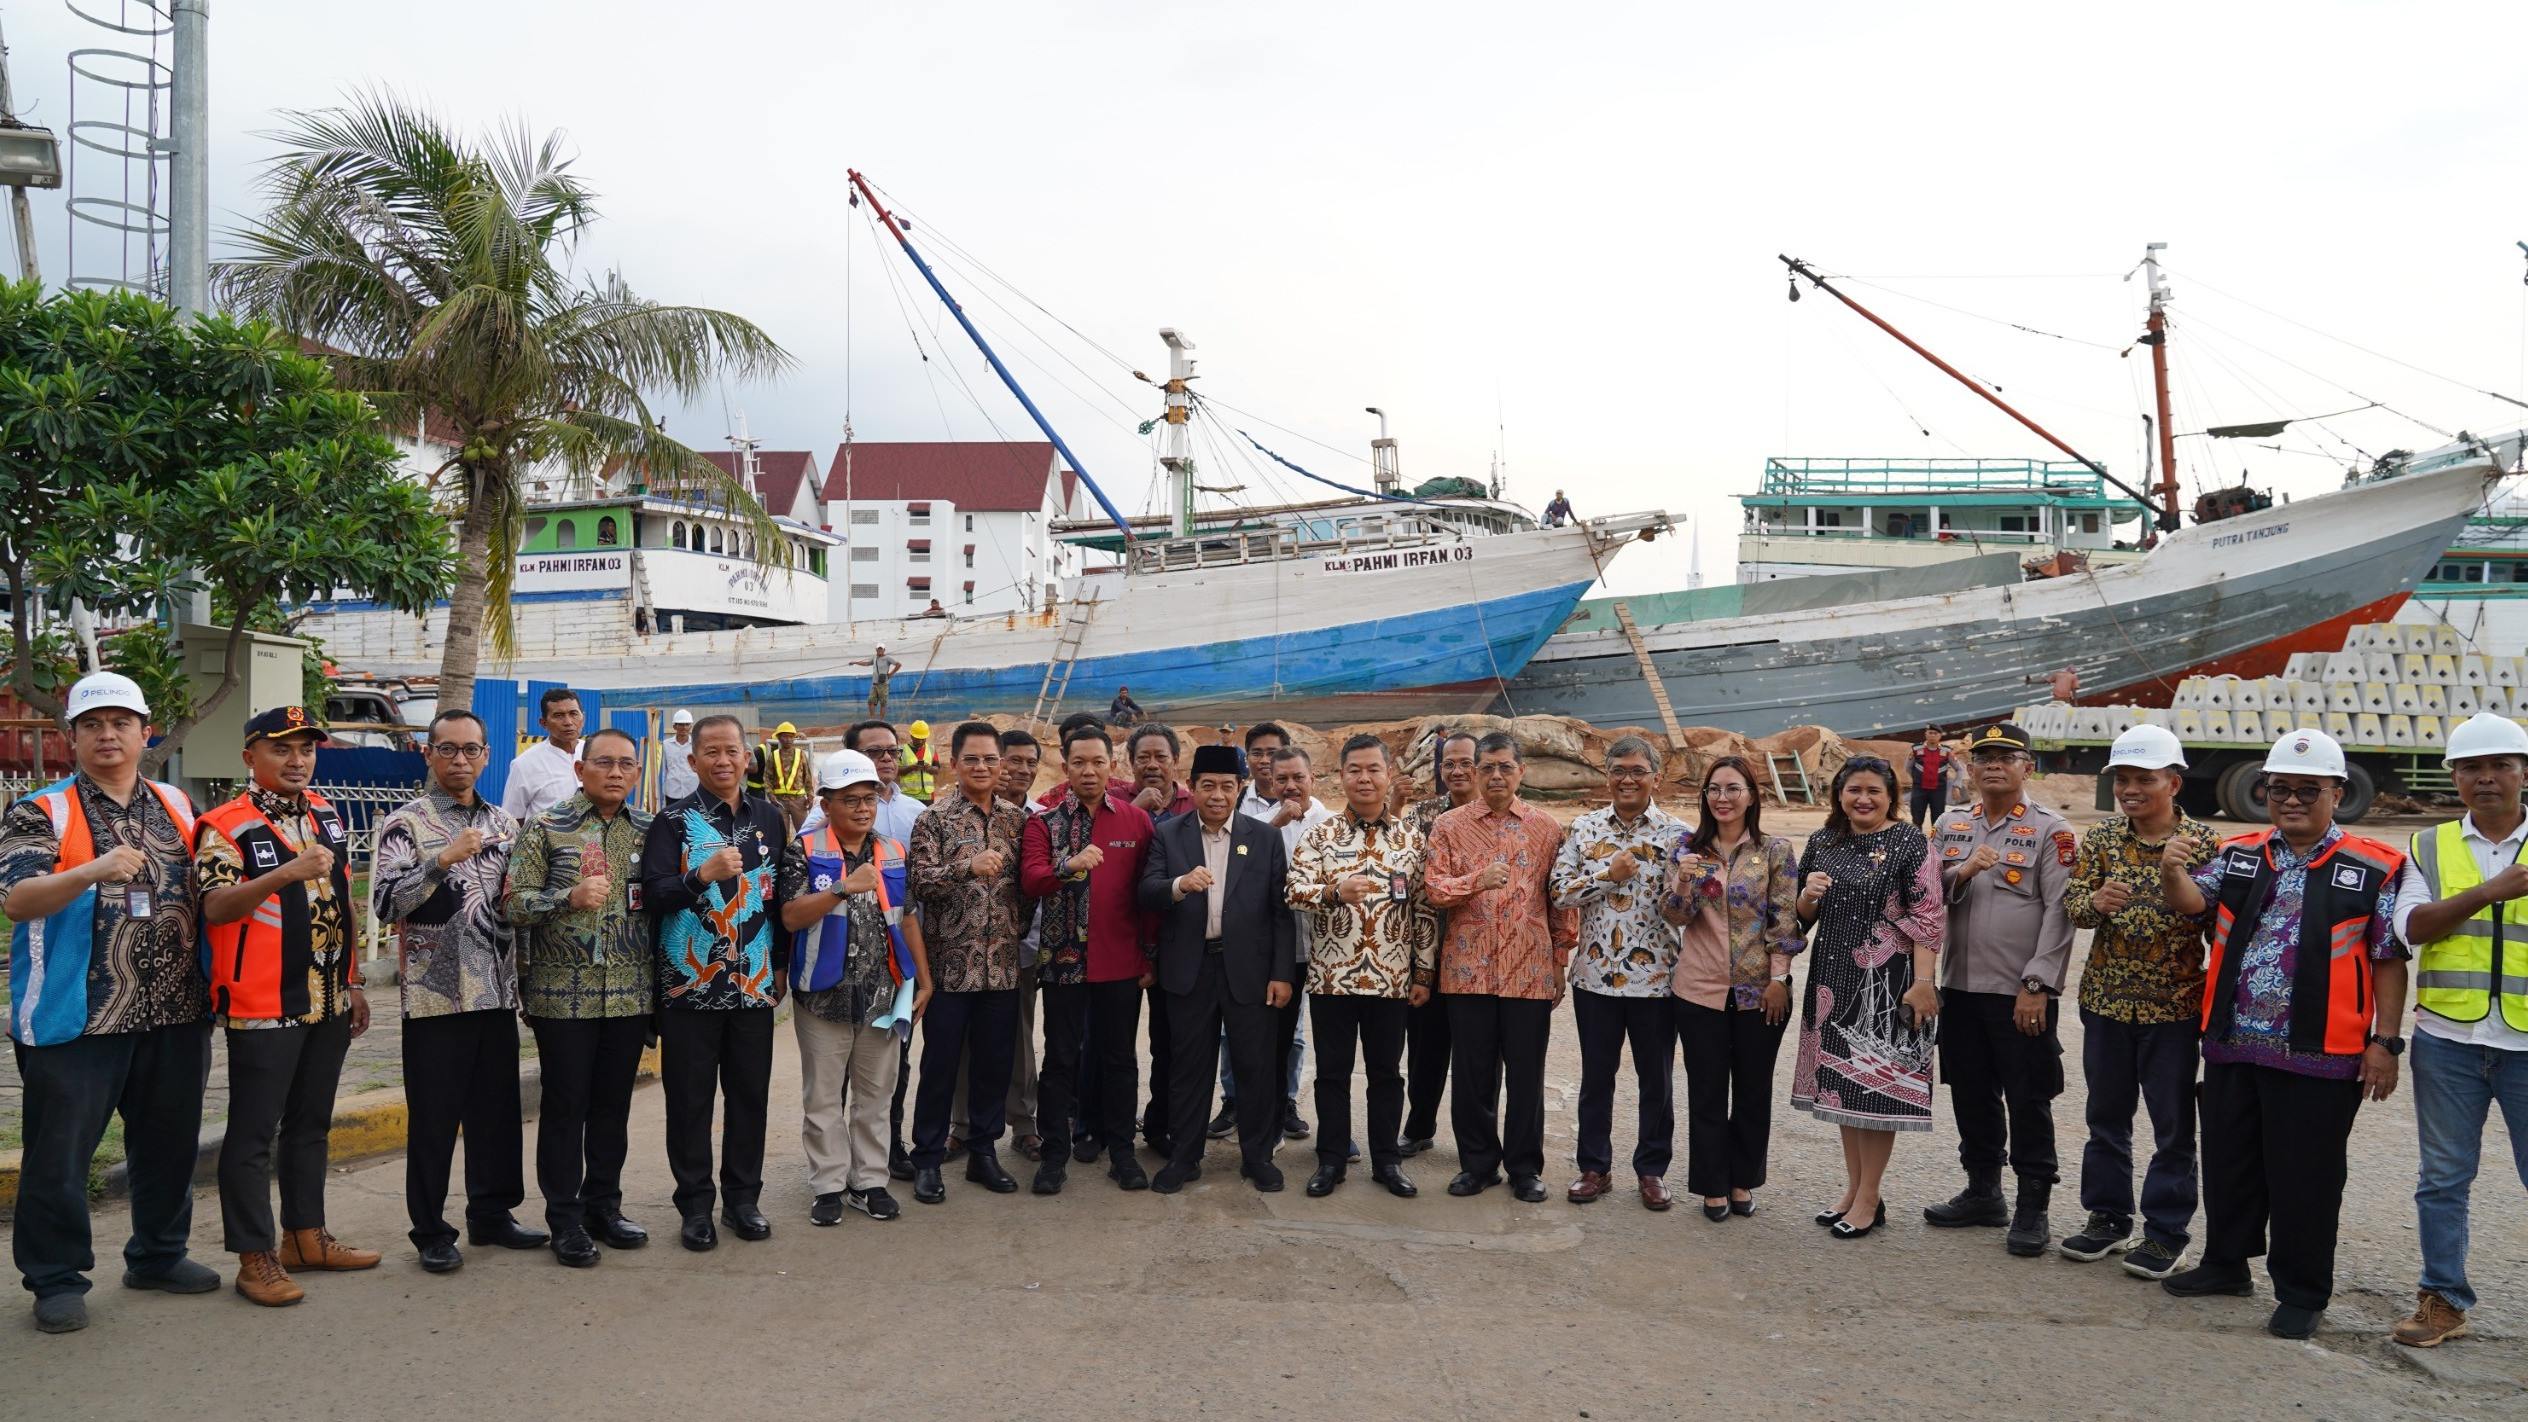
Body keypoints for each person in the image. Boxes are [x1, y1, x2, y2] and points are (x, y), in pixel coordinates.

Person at [2159, 728, 2410, 1340]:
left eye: (2307, 790)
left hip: (2323, 1051)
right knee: (2230, 1161)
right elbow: (2193, 904)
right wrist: (2171, 872)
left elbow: (2388, 959)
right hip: (2231, 1040)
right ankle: (2225, 1264)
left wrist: (2386, 1041)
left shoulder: (2376, 865)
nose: (2291, 801)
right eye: (2278, 789)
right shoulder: (2243, 852)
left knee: (2308, 1173)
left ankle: (2302, 1290)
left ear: (2337, 792)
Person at [3, 672, 213, 1334]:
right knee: (60, 1156)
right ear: (71, 738)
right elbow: (17, 899)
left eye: (121, 722)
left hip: (175, 1012)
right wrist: (92, 869)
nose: (107, 735)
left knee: (168, 1147)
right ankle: (56, 1278)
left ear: (145, 732)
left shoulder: (179, 805)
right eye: (92, 724)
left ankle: (157, 1254)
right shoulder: (41, 811)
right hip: (78, 1018)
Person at [196, 706, 379, 1306]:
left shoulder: (328, 815)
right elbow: (217, 908)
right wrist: (286, 874)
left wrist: (352, 982)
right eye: (282, 749)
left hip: (325, 1000)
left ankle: (305, 1236)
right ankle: (255, 1259)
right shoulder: (225, 825)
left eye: (306, 749)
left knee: (311, 1126)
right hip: (262, 1004)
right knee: (252, 1136)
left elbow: (346, 903)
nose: (297, 760)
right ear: (250, 757)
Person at [371, 709, 542, 1274]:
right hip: (434, 997)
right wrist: (441, 861)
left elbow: (516, 906)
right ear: (429, 753)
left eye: (471, 750)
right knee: (435, 1119)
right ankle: (431, 1230)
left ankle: (492, 1215)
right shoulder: (404, 824)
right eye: (448, 749)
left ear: (487, 756)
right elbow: (385, 905)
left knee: (496, 1113)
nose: (460, 760)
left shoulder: (506, 826)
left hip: (494, 993)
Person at [2387, 711, 2528, 1348]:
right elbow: (2409, 929)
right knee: (2442, 1178)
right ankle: (2442, 1300)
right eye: (2472, 767)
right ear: (2454, 776)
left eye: (2501, 765)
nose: (2487, 778)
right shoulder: (2427, 846)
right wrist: (2489, 891)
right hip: (2449, 1041)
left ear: (2524, 771)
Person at [2061, 724, 2215, 1280]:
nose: (2130, 789)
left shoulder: (2202, 843)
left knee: (2173, 1124)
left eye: (2143, 779)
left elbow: (2218, 922)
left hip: (2172, 1008)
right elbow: (2072, 906)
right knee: (2106, 1116)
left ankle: (2165, 1231)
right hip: (2105, 1002)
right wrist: (2096, 901)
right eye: (2122, 779)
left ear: (2173, 782)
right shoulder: (2102, 840)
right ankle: (2106, 1218)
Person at [506, 724, 658, 1265]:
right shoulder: (548, 827)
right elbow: (515, 904)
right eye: (604, 763)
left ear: (638, 773)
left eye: (626, 764)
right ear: (579, 769)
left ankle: (605, 1206)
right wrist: (566, 896)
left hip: (629, 995)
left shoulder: (650, 830)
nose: (615, 772)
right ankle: (564, 1218)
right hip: (560, 997)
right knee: (566, 1107)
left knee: (613, 1107)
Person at [641, 713, 791, 1252]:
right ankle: (696, 1207)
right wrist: (699, 876)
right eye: (712, 753)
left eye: (733, 751)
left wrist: (778, 964)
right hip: (689, 989)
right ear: (693, 760)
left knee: (749, 1097)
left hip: (752, 987)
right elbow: (652, 897)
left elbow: (777, 901)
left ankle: (743, 1201)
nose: (724, 761)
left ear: (747, 757)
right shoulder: (672, 823)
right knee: (690, 1103)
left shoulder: (770, 819)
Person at [1927, 723, 2076, 1257]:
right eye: (1983, 756)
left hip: (2020, 992)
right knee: (1970, 1092)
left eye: (2006, 757)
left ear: (2027, 767)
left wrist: (2038, 983)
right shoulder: (1950, 824)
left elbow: (2061, 913)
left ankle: (2033, 1206)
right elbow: (1926, 898)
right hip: (1961, 986)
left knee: (2028, 1097)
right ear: (1969, 767)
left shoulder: (2050, 831)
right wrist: (1961, 872)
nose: (1993, 765)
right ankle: (1983, 1191)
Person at [1791, 756, 1945, 1240]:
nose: (1863, 799)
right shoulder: (1822, 841)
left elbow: (1928, 915)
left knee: (1875, 1090)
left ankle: (1870, 1195)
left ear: (1890, 797)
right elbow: (1800, 916)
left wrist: (1924, 982)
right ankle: (1855, 1189)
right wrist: (1810, 895)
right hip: (1833, 977)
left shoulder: (1908, 842)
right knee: (1844, 1086)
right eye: (1853, 789)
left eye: (1874, 791)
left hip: (1892, 978)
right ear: (1839, 795)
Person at [778, 749, 934, 1226]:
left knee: (876, 1096)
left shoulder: (891, 850)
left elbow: (906, 918)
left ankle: (869, 1182)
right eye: (851, 800)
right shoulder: (801, 851)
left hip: (883, 994)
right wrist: (844, 887)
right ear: (826, 804)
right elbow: (790, 917)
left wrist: (923, 979)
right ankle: (828, 1186)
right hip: (822, 997)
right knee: (823, 1098)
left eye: (869, 798)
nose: (863, 808)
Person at [1424, 731, 1577, 1203]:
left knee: (1526, 1075)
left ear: (1520, 772)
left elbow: (1560, 903)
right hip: (1467, 970)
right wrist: (1477, 879)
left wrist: (1558, 961)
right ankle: (1477, 1165)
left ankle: (1525, 1167)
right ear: (1473, 772)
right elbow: (1434, 888)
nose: (1495, 776)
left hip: (1528, 971)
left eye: (1505, 767)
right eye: (1486, 767)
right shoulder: (1449, 825)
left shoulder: (1546, 828)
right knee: (1473, 1076)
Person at [1141, 744, 1297, 1192]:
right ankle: (1184, 1158)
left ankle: (1257, 1157)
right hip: (1189, 969)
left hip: (1249, 969)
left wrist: (1282, 973)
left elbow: (1280, 911)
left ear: (1240, 788)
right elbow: (1148, 889)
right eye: (1207, 785)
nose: (1217, 795)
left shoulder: (1263, 837)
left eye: (1227, 786)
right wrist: (1178, 884)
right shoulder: (1169, 834)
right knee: (1189, 1068)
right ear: (1193, 788)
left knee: (1254, 1066)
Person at [1287, 733, 1436, 1198]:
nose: (1365, 778)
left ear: (1388, 775)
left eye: (1374, 769)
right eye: (1355, 769)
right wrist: (1333, 892)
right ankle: (1331, 1159)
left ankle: (1387, 1161)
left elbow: (1424, 909)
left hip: (1392, 982)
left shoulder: (1412, 839)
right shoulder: (1321, 834)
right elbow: (1292, 890)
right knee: (1331, 1074)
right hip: (1332, 979)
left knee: (1387, 1076)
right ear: (1342, 776)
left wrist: (1423, 973)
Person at [1661, 754, 1801, 1221]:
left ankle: (1741, 1180)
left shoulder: (1774, 850)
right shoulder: (1687, 847)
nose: (1722, 798)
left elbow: (1785, 918)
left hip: (1760, 992)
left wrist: (1778, 978)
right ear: (1704, 797)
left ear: (1751, 795)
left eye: (1733, 788)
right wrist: (1683, 882)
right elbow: (1675, 917)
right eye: (1714, 789)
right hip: (1698, 989)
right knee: (1705, 1090)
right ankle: (1711, 1187)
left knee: (1752, 1091)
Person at [1020, 724, 1157, 1194]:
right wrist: (1068, 865)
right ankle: (1054, 1153)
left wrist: (1148, 956)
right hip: (1063, 963)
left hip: (1120, 961)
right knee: (1060, 1060)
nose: (1089, 770)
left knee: (1120, 1059)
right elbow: (1033, 880)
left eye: (1098, 761)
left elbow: (1147, 895)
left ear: (1112, 766)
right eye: (1079, 762)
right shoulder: (1045, 822)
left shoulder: (1136, 822)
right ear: (1065, 766)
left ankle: (1122, 1152)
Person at [1551, 735, 1686, 1210]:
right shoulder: (1583, 829)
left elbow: (1688, 910)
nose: (1627, 779)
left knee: (1657, 1082)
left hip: (1659, 982)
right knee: (1597, 1078)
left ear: (1656, 776)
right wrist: (1608, 875)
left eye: (1637, 770)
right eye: (1618, 770)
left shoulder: (1678, 834)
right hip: (1595, 977)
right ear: (1606, 775)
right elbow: (1560, 893)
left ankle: (1651, 1171)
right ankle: (1594, 1168)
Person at [904, 722, 1030, 1204]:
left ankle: (983, 1152)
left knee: (994, 1066)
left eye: (990, 759)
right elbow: (919, 882)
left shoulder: (1016, 821)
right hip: (949, 971)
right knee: (939, 1065)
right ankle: (929, 1158)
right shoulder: (933, 819)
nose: (982, 767)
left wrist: (1014, 930)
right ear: (953, 763)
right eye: (972, 759)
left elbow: (1027, 887)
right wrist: (967, 866)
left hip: (1000, 968)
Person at [1219, 745, 1329, 1144]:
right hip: (1275, 953)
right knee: (1270, 1040)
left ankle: (1304, 1116)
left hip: (1325, 951)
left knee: (1324, 1045)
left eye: (1298, 777)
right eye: (1281, 778)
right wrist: (1278, 820)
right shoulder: (1250, 822)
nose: (1290, 785)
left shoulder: (1331, 822)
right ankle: (1264, 1118)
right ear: (1268, 780)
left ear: (1312, 779)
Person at [953, 728, 1045, 1164]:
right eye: (1012, 760)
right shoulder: (948, 815)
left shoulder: (1038, 818)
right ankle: (964, 1127)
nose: (1020, 770)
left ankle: (1023, 1124)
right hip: (963, 952)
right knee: (966, 1043)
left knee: (1019, 1041)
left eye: (1031, 762)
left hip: (1018, 950)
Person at [1400, 729, 1480, 1156]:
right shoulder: (1422, 815)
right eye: (1448, 763)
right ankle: (1419, 1127)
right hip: (1427, 952)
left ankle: (1474, 1141)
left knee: (1476, 1058)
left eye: (1466, 762)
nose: (1456, 770)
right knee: (1425, 1050)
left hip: (1480, 957)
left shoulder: (1497, 820)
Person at [1125, 723, 1194, 1157]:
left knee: (1171, 1041)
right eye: (1143, 758)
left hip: (1177, 942)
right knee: (1113, 1042)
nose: (1151, 765)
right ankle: (1105, 1125)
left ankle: (1163, 1125)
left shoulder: (1195, 803)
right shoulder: (1117, 803)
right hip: (1128, 941)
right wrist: (1135, 810)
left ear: (1175, 761)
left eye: (1160, 757)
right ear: (1130, 764)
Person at [501, 688, 586, 824]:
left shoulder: (597, 754)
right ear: (544, 723)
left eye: (574, 714)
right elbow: (512, 819)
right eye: (558, 715)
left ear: (583, 718)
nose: (568, 722)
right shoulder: (525, 764)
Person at [753, 722, 814, 836]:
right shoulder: (773, 755)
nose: (788, 739)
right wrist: (771, 795)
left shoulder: (800, 754)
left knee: (804, 833)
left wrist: (810, 796)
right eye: (785, 736)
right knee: (781, 834)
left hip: (798, 801)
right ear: (779, 738)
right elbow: (767, 778)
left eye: (791, 736)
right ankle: (784, 853)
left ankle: (802, 853)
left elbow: (808, 777)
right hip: (779, 801)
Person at [1906, 727, 1953, 832]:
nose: (1932, 735)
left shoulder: (1946, 751)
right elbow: (1908, 767)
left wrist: (1957, 785)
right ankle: (1917, 841)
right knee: (1917, 818)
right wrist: (1916, 778)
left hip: (1938, 790)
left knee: (1937, 819)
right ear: (1926, 734)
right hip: (1919, 789)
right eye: (1930, 733)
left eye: (1935, 733)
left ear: (1940, 735)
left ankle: (1935, 843)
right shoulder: (1916, 749)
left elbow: (1959, 769)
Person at [660, 709, 699, 802]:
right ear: (674, 727)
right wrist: (661, 791)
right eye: (680, 724)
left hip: (692, 790)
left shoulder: (696, 744)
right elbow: (663, 770)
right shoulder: (666, 745)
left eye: (687, 724)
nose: (684, 727)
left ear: (691, 726)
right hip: (672, 791)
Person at [901, 720, 938, 803]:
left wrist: (929, 768)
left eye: (923, 739)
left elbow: (937, 770)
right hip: (909, 796)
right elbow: (896, 770)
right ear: (911, 736)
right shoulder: (901, 750)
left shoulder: (931, 749)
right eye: (917, 739)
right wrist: (911, 768)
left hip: (928, 796)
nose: (920, 741)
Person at [865, 645, 900, 721]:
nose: (880, 650)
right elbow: (866, 663)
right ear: (876, 649)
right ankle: (872, 719)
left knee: (883, 703)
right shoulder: (874, 657)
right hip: (875, 683)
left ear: (884, 650)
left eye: (881, 649)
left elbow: (898, 664)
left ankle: (881, 720)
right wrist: (855, 662)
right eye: (878, 649)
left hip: (884, 684)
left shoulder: (888, 658)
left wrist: (891, 673)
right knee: (870, 701)